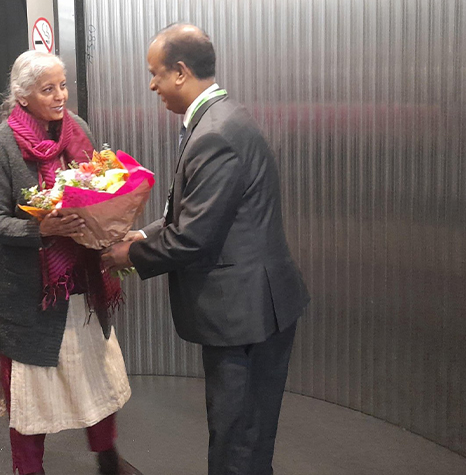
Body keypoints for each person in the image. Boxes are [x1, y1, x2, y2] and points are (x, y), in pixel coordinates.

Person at [101, 24, 310, 475]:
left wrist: (127, 257)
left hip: (247, 315)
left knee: (237, 441)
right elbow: (193, 212)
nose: (151, 84)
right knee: (245, 436)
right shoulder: (220, 119)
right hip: (252, 309)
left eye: (156, 73)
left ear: (180, 71)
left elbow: (194, 237)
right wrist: (142, 234)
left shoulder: (216, 132)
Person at [0, 50, 141, 475]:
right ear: (23, 95)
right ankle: (29, 470)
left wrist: (110, 212)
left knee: (98, 381)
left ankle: (108, 459)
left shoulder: (78, 130)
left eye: (63, 85)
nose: (60, 96)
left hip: (82, 284)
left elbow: (96, 186)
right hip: (30, 299)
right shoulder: (1, 143)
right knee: (31, 400)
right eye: (47, 89)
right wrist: (41, 231)